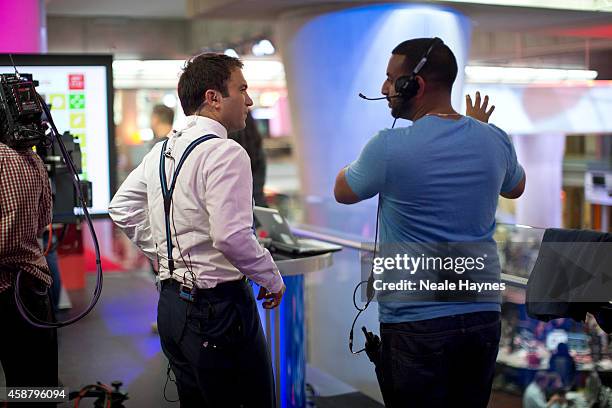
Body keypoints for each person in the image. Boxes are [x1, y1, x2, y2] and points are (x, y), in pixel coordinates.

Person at [334, 37, 526, 407]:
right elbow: (516, 187)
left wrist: (370, 161)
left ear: (415, 85)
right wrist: (479, 131)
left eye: (392, 79)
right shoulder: (494, 139)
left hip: (415, 323)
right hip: (482, 315)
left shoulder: (387, 146)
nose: (384, 89)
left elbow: (343, 189)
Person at [109, 53, 285, 407]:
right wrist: (271, 276)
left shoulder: (161, 151)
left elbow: (121, 208)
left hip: (172, 307)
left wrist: (166, 252)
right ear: (214, 98)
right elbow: (231, 236)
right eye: (242, 89)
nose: (249, 100)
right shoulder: (226, 152)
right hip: (219, 310)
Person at [0, 140, 57, 402]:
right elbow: (45, 219)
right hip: (30, 289)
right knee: (36, 393)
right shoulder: (31, 159)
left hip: (13, 290)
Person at [229, 111, 268, 207]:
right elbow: (257, 192)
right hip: (256, 210)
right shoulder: (257, 151)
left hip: (233, 210)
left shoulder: (225, 151)